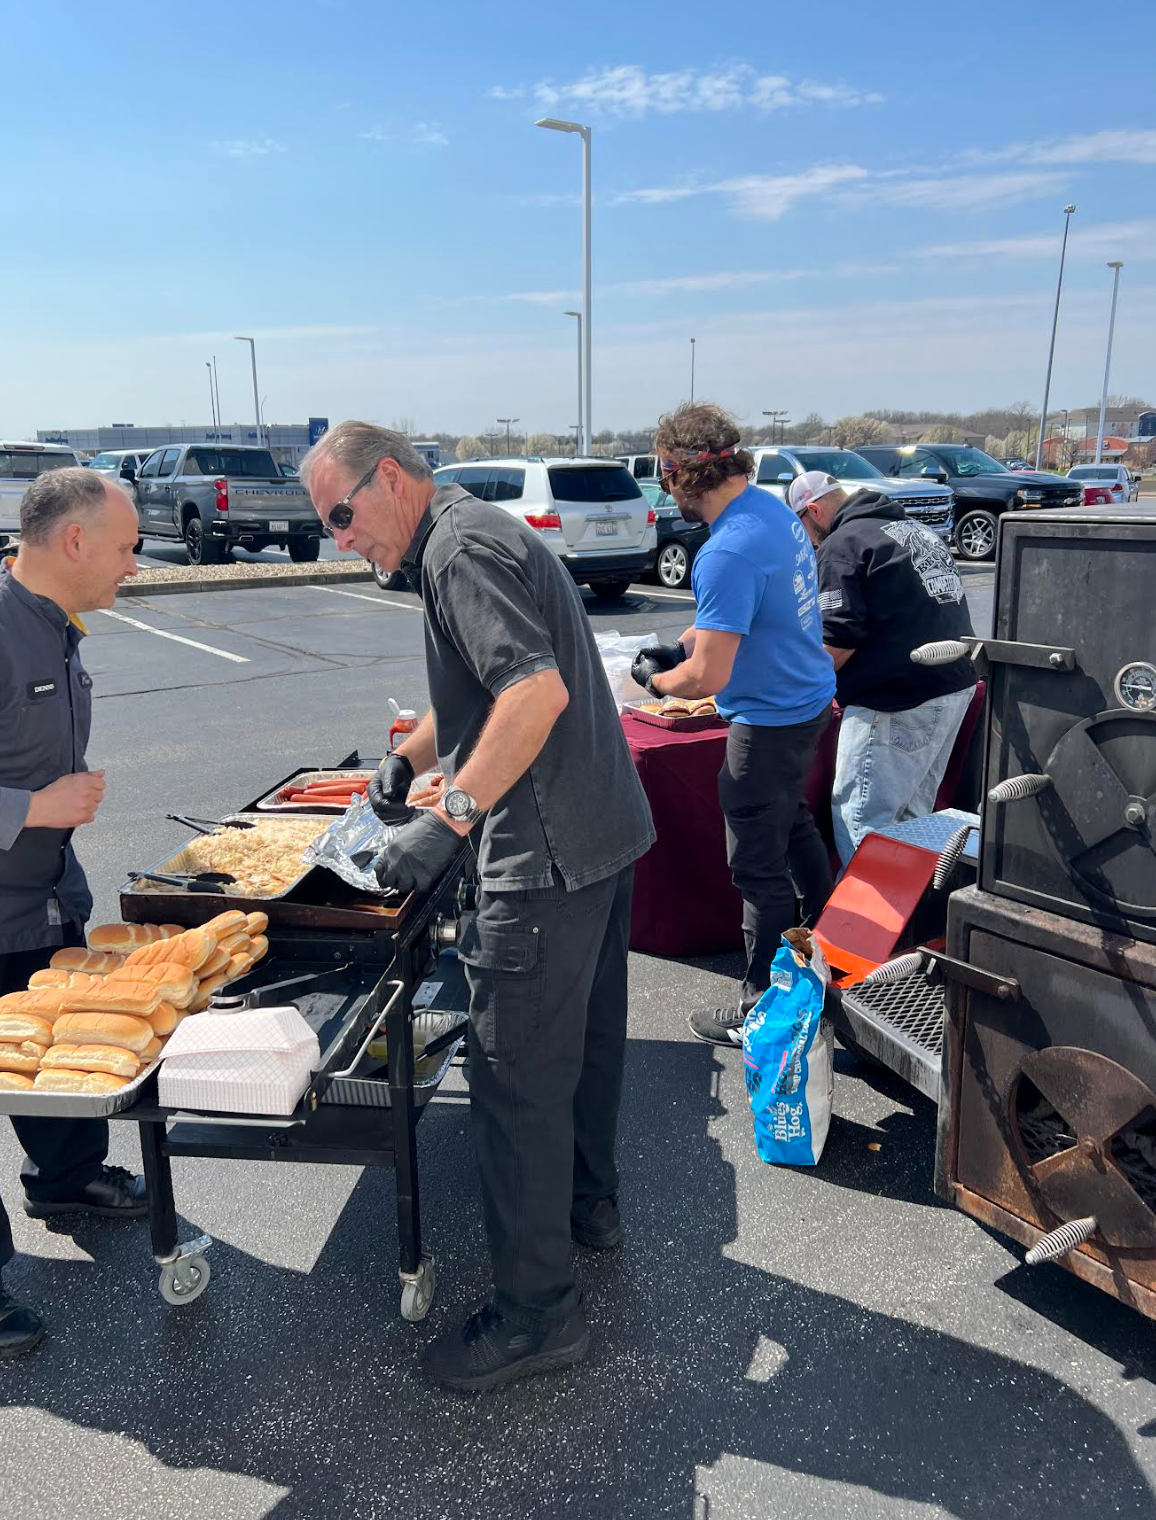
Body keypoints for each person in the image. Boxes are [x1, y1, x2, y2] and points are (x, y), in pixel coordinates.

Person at [300, 422, 654, 1393]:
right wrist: (410, 755)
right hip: (601, 830)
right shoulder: (466, 533)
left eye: (342, 513)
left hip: (541, 854)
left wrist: (447, 818)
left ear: (389, 479)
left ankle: (538, 1312)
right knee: (581, 1044)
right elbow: (476, 680)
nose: (339, 537)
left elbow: (530, 693)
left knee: (514, 1082)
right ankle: (589, 1206)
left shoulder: (455, 547)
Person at [630, 403, 836, 1049]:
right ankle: (829, 944)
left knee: (757, 867)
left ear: (678, 477)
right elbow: (733, 617)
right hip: (807, 703)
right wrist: (681, 642)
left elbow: (708, 680)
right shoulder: (769, 511)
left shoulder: (725, 551)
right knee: (794, 823)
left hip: (767, 719)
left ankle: (762, 1002)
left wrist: (657, 680)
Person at [0, 468, 147, 1359]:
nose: (136, 563)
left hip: (39, 900)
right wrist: (31, 809)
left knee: (50, 1057)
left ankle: (66, 1178)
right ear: (76, 541)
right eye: (128, 547)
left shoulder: (56, 628)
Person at [787, 470, 977, 866]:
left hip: (898, 699)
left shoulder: (842, 545)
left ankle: (868, 925)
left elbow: (837, 641)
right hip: (955, 685)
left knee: (863, 827)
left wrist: (789, 686)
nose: (806, 539)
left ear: (814, 511)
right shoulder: (912, 529)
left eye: (801, 526)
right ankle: (910, 925)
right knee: (912, 824)